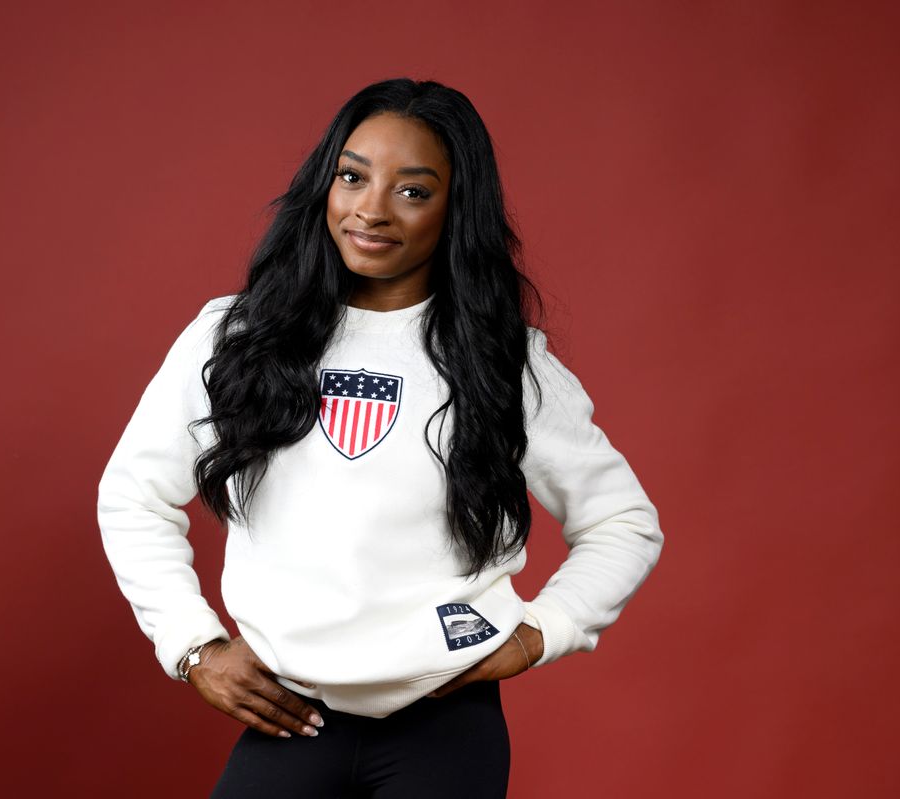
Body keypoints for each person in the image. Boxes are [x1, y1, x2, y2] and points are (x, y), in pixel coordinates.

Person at [96, 77, 664, 798]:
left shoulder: (502, 361)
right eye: (353, 177)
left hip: (445, 731)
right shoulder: (235, 336)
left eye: (413, 190)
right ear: (323, 185)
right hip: (290, 717)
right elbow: (133, 494)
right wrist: (192, 645)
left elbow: (624, 521)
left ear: (455, 209)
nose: (370, 208)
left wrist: (540, 631)